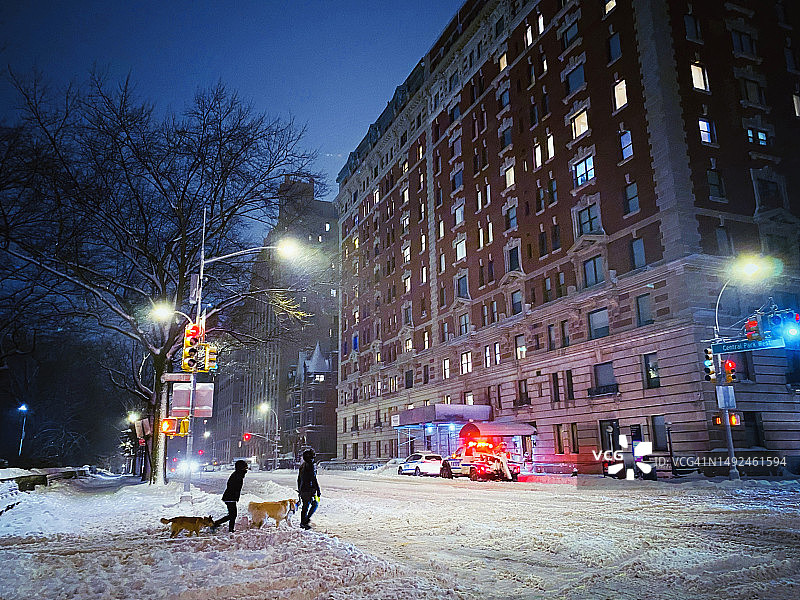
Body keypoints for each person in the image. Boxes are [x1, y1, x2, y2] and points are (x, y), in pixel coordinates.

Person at [212, 459, 248, 532]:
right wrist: (235, 495)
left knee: (232, 514)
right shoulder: (237, 475)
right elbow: (232, 486)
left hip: (231, 497)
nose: (246, 468)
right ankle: (218, 524)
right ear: (241, 467)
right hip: (230, 497)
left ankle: (226, 527)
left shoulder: (238, 474)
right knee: (233, 515)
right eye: (245, 467)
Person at [297, 449, 321, 530]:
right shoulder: (311, 465)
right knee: (315, 504)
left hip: (303, 489)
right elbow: (313, 478)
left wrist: (299, 489)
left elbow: (299, 479)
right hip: (309, 489)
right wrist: (318, 490)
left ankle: (303, 521)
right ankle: (305, 521)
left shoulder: (302, 465)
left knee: (305, 506)